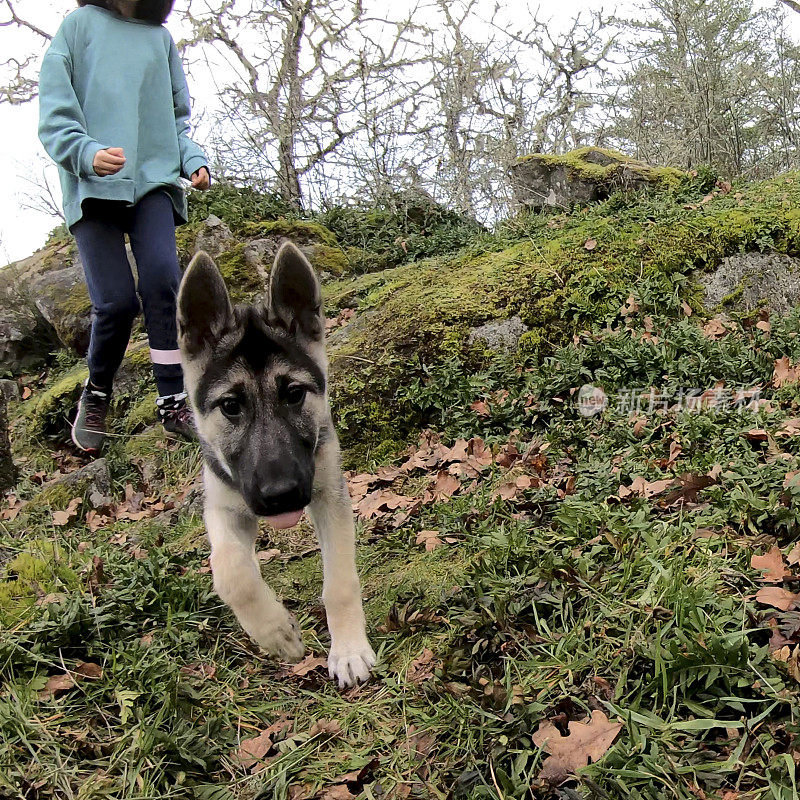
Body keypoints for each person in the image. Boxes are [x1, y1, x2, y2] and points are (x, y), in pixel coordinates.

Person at [38, 0, 211, 453]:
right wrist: (85, 153)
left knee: (162, 280)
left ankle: (173, 397)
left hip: (152, 182)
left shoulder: (160, 40)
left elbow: (176, 119)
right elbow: (54, 113)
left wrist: (191, 158)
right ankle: (96, 392)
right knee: (115, 303)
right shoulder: (78, 28)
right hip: (94, 187)